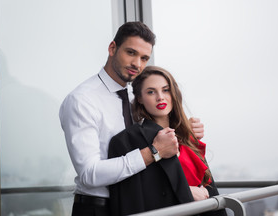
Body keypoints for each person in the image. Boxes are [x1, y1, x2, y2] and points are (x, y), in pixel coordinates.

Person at [59, 21, 205, 216]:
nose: (138, 64)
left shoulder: (137, 97)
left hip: (135, 203)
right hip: (98, 208)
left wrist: (187, 129)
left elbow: (158, 134)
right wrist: (153, 152)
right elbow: (89, 174)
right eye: (131, 53)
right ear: (112, 48)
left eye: (144, 58)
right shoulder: (82, 100)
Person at [108, 66, 227, 216]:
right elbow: (134, 199)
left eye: (165, 90)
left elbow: (209, 187)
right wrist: (187, 192)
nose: (160, 97)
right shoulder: (126, 141)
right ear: (139, 98)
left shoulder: (187, 135)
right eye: (151, 92)